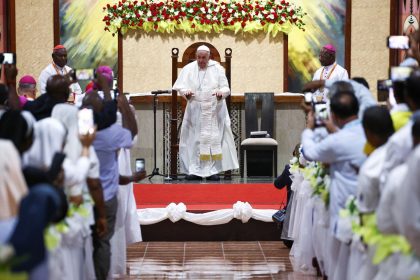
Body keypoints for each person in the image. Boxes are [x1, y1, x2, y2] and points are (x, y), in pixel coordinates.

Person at [301, 87, 366, 279]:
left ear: (334, 115)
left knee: (341, 262)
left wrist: (310, 128)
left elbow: (310, 153)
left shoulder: (338, 141)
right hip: (367, 205)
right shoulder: (367, 130)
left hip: (345, 207)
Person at [173, 45, 239, 181]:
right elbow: (180, 87)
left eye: (204, 58)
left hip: (214, 109)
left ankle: (212, 171)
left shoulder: (218, 69)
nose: (201, 60)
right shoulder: (189, 69)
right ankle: (194, 170)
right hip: (195, 110)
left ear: (209, 57)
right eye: (198, 57)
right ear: (195, 57)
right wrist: (186, 92)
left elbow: (226, 88)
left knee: (213, 140)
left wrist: (222, 93)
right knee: (194, 140)